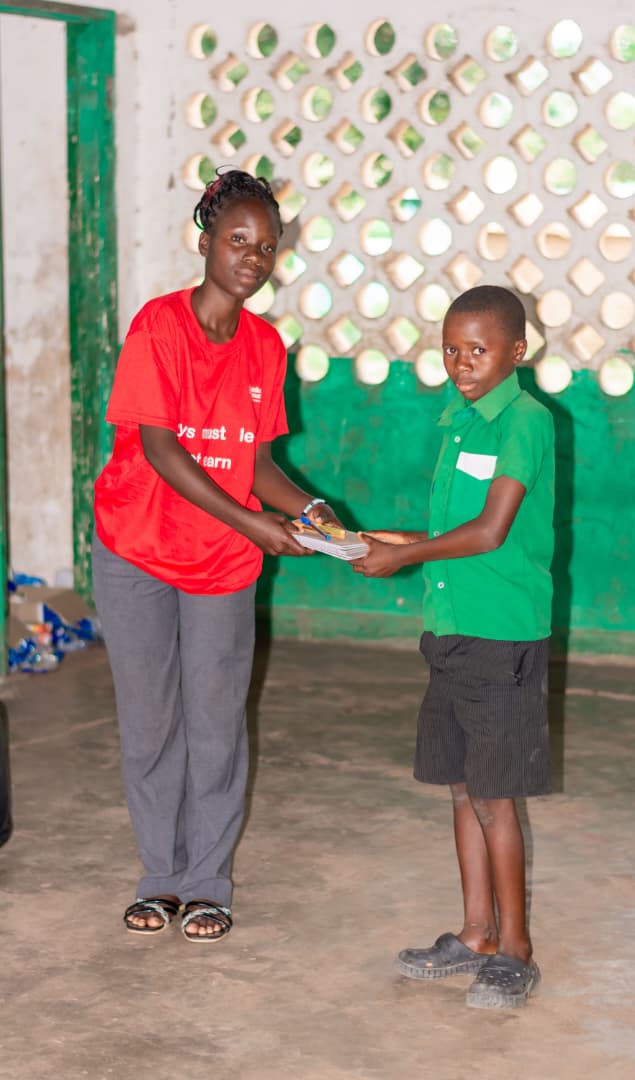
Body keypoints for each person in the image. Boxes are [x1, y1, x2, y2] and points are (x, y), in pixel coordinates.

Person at [93, 169, 338, 942]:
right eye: (237, 241)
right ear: (204, 242)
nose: (252, 259)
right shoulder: (158, 328)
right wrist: (253, 521)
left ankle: (207, 884)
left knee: (216, 722)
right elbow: (161, 449)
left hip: (222, 565)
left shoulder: (266, 347)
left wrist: (311, 510)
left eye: (266, 247)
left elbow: (256, 460)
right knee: (152, 721)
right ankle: (159, 878)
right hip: (136, 548)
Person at [352, 285, 554, 1008]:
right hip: (450, 632)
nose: (462, 363)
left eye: (478, 350)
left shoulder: (525, 423)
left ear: (517, 351)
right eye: (451, 350)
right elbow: (449, 532)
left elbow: (491, 532)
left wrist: (404, 558)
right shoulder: (459, 423)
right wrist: (383, 541)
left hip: (501, 636)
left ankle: (518, 949)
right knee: (464, 788)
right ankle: (476, 935)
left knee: (496, 798)